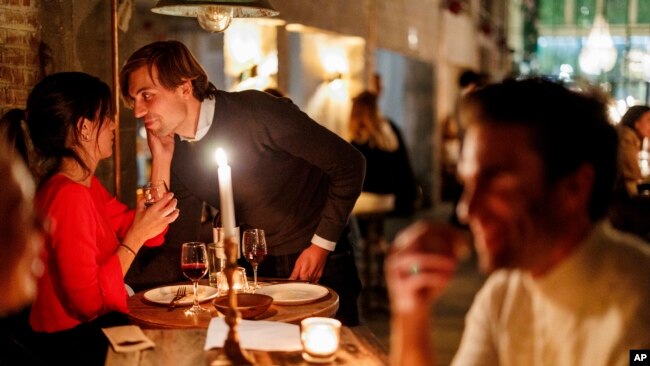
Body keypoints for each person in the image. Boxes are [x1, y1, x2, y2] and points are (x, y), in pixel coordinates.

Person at [385, 78, 650, 366]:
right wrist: (411, 314)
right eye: (469, 182)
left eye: (496, 180)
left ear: (574, 187)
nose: (466, 209)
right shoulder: (504, 292)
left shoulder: (638, 311)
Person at [119, 40, 365, 326]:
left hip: (319, 252)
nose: (137, 111)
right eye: (133, 100)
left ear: (184, 87)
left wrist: (321, 246)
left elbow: (350, 164)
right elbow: (176, 242)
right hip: (258, 266)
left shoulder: (257, 112)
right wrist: (161, 161)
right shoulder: (178, 153)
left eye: (146, 96)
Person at [0, 72, 179, 365]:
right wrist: (133, 239)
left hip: (88, 333)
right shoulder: (67, 195)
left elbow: (154, 232)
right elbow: (89, 303)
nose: (113, 125)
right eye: (106, 116)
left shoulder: (86, 185)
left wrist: (161, 159)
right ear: (84, 127)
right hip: (68, 346)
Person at [615, 105, 650, 196]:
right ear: (637, 123)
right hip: (619, 199)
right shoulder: (627, 138)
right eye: (649, 120)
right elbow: (632, 174)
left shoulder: (633, 139)